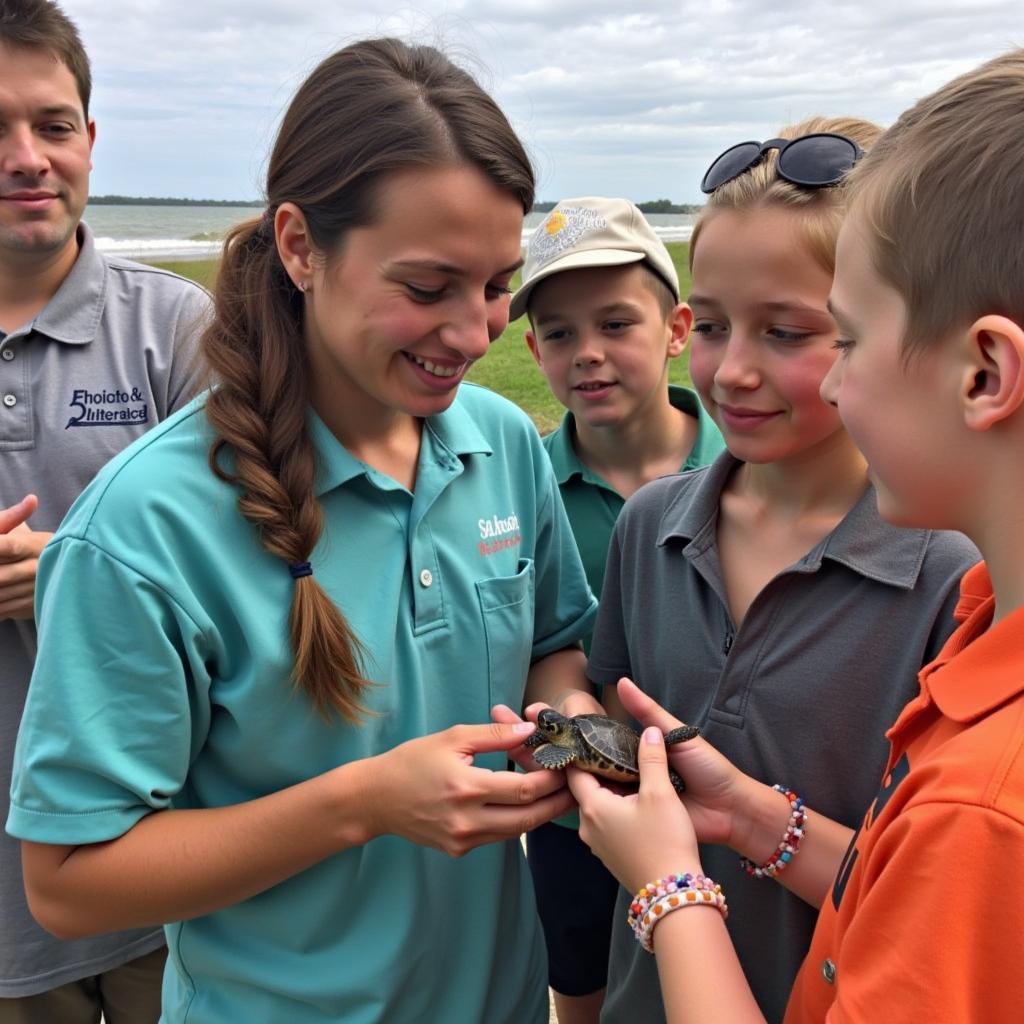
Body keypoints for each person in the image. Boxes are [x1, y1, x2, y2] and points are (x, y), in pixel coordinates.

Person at [5, 38, 600, 1024]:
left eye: (496, 283)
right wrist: (362, 802)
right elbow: (68, 880)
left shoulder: (501, 443)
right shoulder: (145, 527)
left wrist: (567, 733)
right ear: (299, 246)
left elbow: (548, 649)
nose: (474, 331)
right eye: (425, 287)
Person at [569, 47, 1024, 1023]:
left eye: (812, 334)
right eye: (715, 325)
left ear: (984, 372)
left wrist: (668, 884)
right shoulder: (651, 524)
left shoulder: (956, 581)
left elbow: (937, 870)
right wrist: (735, 816)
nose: (731, 372)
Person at [0, 1, 209, 1020]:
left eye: (52, 123)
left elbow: (264, 561)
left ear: (90, 139)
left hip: (156, 873)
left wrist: (80, 568)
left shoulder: (178, 327)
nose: (27, 157)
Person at [511, 195, 724, 1023]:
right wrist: (577, 733)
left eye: (616, 325)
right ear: (532, 348)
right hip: (575, 818)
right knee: (583, 994)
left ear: (676, 329)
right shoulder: (522, 481)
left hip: (720, 801)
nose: (588, 355)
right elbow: (535, 637)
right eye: (560, 334)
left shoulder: (746, 461)